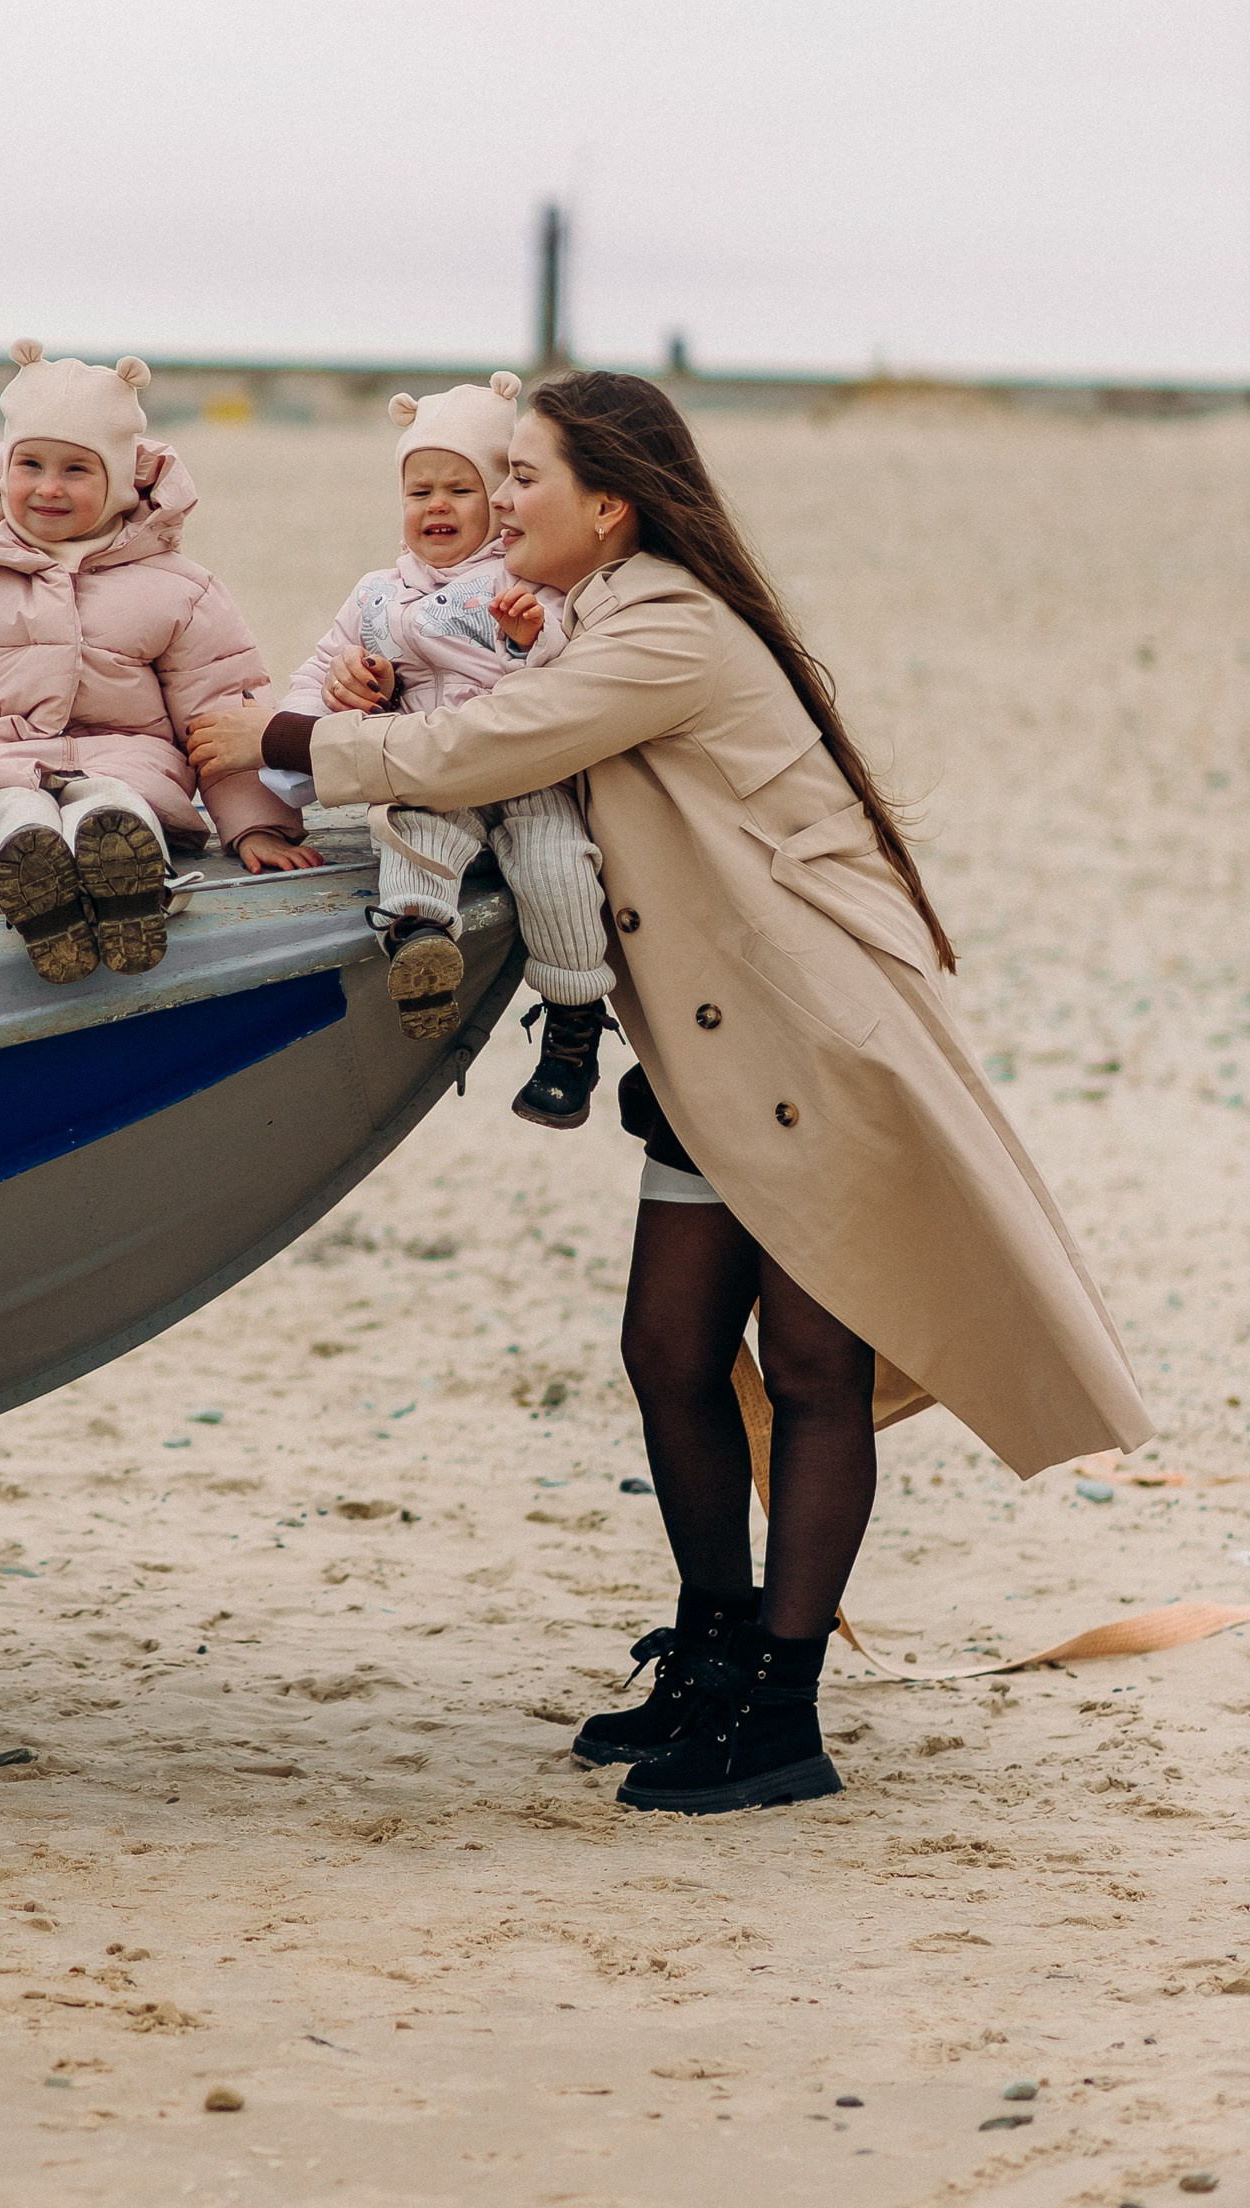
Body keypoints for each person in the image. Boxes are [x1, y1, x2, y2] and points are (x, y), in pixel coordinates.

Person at [190, 370, 1148, 1819]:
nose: (497, 503)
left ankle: (780, 1709)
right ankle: (709, 1656)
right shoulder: (591, 617)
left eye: (524, 479)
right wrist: (370, 681)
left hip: (815, 1045)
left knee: (816, 1372)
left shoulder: (669, 631)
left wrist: (275, 739)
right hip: (713, 1057)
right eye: (494, 478)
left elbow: (480, 752)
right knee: (670, 1349)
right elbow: (477, 708)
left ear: (611, 505)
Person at [0, 343, 317, 983]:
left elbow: (223, 712)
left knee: (113, 802)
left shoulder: (178, 587)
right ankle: (34, 879)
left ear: (117, 481)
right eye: (29, 463)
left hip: (127, 763)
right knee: (9, 809)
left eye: (77, 471)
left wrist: (257, 826)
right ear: (2, 468)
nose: (49, 488)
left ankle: (128, 875)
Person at [277, 368, 616, 1122]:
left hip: (524, 774)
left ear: (500, 501)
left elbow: (569, 668)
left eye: (459, 490)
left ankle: (572, 1023)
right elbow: (320, 668)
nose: (436, 506)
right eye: (418, 492)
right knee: (411, 827)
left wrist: (531, 639)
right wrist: (338, 694)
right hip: (427, 764)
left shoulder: (528, 578)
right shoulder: (376, 593)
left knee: (559, 863)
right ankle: (421, 939)